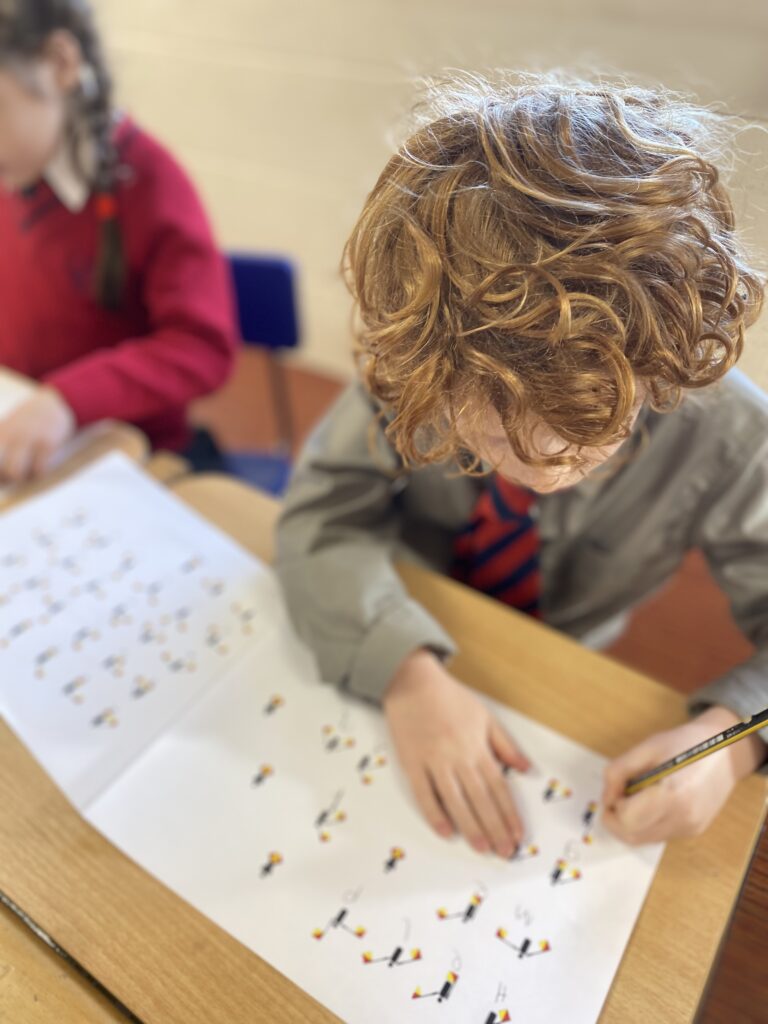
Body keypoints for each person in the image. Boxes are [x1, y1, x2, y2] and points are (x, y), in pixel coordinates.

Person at [276, 73, 768, 858]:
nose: (547, 475)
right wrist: (405, 673)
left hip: (569, 657)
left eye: (593, 439)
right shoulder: (419, 354)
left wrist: (732, 739)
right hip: (405, 610)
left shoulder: (735, 433)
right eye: (492, 445)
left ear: (664, 373)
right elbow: (319, 512)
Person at [0, 0, 237, 481]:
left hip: (126, 455)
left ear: (60, 64)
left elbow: (202, 346)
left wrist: (68, 399)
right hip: (26, 438)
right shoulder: (15, 167)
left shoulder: (149, 183)